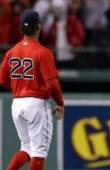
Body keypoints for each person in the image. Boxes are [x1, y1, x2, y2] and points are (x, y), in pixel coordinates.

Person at [0, 10, 64, 170]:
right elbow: (52, 84)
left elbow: (2, 80)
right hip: (36, 103)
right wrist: (60, 103)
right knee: (39, 151)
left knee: (26, 147)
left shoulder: (11, 52)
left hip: (17, 103)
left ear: (22, 28)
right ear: (38, 27)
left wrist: (18, 90)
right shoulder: (42, 52)